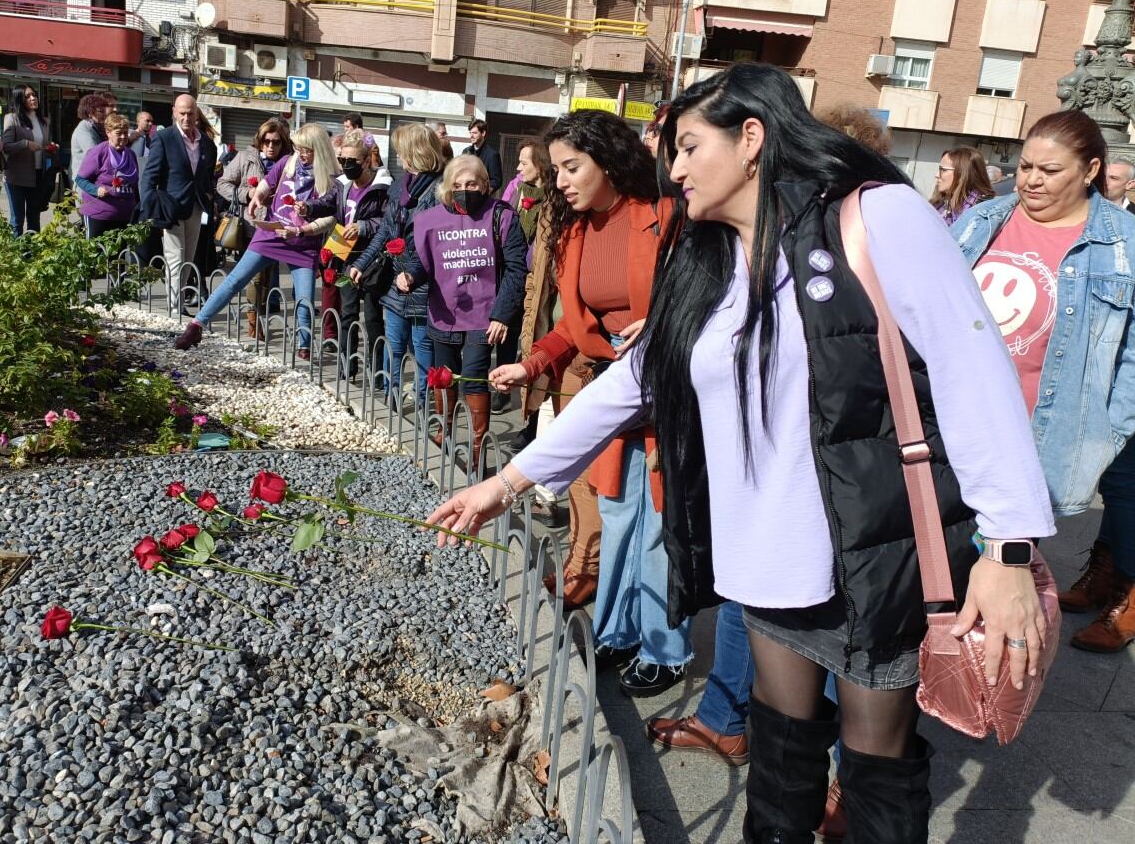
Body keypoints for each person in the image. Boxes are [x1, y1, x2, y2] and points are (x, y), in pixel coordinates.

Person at [433, 65, 1056, 842]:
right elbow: (636, 379)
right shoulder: (709, 259)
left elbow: (974, 370)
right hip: (767, 559)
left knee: (875, 775)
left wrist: (1009, 547)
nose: (676, 167)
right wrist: (510, 479)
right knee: (781, 758)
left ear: (752, 138)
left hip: (873, 552)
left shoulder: (877, 219)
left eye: (691, 147)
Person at [486, 110, 693, 693]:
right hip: (611, 387)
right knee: (621, 514)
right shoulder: (576, 229)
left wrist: (663, 321)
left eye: (572, 167)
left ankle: (667, 648)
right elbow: (577, 326)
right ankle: (619, 631)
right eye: (557, 170)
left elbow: (705, 297)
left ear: (608, 159)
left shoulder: (665, 216)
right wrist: (531, 364)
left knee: (657, 522)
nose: (562, 181)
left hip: (668, 386)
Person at [954, 110, 1135, 654]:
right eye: (1025, 166)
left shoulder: (1123, 243)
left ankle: (978, 682)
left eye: (1049, 170)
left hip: (1037, 438)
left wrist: (1110, 424)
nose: (1030, 179)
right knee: (936, 562)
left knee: (998, 572)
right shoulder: (982, 219)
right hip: (953, 422)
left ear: (1090, 170)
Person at [173, 122, 340, 356]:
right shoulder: (288, 161)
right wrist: (256, 198)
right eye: (298, 148)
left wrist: (301, 231)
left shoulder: (333, 177)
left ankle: (304, 345)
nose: (300, 154)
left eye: (306, 150)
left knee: (304, 298)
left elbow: (330, 218)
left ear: (319, 149)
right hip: (270, 233)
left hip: (303, 243)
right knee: (235, 280)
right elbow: (266, 183)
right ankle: (196, 325)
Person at [409, 154, 526, 466]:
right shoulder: (431, 219)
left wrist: (502, 314)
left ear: (484, 185)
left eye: (472, 183)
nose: (464, 189)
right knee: (444, 376)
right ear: (447, 187)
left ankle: (478, 446)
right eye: (458, 184)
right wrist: (409, 275)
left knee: (474, 376)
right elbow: (422, 261)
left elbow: (516, 269)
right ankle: (443, 429)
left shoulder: (502, 216)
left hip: (484, 315)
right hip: (443, 311)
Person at [348, 123, 445, 406]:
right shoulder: (401, 186)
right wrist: (362, 263)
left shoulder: (440, 191)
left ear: (416, 153)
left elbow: (438, 245)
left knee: (422, 346)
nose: (399, 158)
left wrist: (415, 273)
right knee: (393, 344)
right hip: (395, 280)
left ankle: (424, 402)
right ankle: (391, 398)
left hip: (423, 283)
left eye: (402, 152)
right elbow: (385, 232)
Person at [140, 94, 217, 314]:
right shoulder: (164, 138)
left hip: (196, 206)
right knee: (175, 256)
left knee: (188, 257)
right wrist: (148, 203)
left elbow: (208, 174)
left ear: (196, 114)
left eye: (190, 113)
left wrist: (209, 195)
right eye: (182, 113)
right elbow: (150, 174)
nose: (186, 117)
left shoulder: (206, 143)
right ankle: (175, 307)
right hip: (171, 206)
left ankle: (179, 300)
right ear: (174, 112)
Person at [217, 118, 292, 338]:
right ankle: (253, 322)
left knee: (268, 277)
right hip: (252, 226)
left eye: (276, 142)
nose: (271, 146)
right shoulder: (245, 157)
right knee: (256, 277)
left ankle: (260, 316)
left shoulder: (289, 162)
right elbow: (222, 183)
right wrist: (247, 194)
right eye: (267, 141)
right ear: (260, 141)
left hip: (278, 227)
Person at [501, 138, 553, 447]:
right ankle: (527, 420)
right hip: (517, 279)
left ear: (541, 165)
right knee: (522, 348)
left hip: (539, 283)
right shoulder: (517, 192)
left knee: (537, 352)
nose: (519, 168)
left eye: (524, 162)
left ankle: (534, 425)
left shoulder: (552, 199)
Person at [332, 131, 390, 378]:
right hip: (346, 256)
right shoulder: (342, 184)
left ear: (367, 160)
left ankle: (376, 371)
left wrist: (365, 226)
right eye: (343, 160)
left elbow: (389, 221)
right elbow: (328, 204)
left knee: (373, 317)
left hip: (374, 259)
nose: (347, 166)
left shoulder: (383, 186)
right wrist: (308, 208)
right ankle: (347, 366)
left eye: (352, 161)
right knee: (347, 313)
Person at [72, 112, 140, 239]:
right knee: (97, 254)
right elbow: (80, 179)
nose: (123, 137)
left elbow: (135, 186)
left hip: (124, 216)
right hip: (99, 215)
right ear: (108, 133)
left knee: (118, 256)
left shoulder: (131, 154)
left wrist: (138, 208)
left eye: (125, 133)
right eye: (119, 133)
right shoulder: (98, 152)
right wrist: (96, 190)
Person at [1, 85, 53, 235]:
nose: (33, 98)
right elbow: (5, 146)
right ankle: (16, 254)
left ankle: (32, 251)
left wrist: (50, 147)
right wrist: (25, 144)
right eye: (28, 96)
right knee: (17, 219)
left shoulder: (44, 121)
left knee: (34, 217)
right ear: (19, 100)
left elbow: (43, 145)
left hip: (38, 175)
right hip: (16, 177)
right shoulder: (12, 119)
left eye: (34, 95)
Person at [931, 145, 994, 225]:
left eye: (943, 170)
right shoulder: (939, 203)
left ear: (963, 173)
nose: (937, 175)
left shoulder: (983, 211)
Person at [70, 93, 110, 180]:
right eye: (101, 111)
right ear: (90, 113)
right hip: (84, 182)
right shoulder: (83, 129)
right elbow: (94, 153)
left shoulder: (97, 127)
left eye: (105, 111)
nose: (105, 115)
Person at [463, 119, 502, 189]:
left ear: (483, 133)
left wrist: (481, 190)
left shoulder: (492, 155)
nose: (471, 136)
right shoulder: (465, 152)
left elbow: (496, 181)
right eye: (470, 133)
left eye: (474, 133)